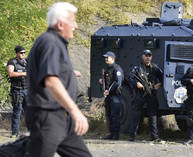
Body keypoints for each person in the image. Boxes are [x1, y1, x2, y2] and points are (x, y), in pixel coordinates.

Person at [25, 2, 92, 157]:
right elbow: (51, 80)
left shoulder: (55, 43)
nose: (76, 26)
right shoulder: (51, 42)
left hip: (59, 117)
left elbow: (55, 73)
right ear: (61, 24)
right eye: (73, 21)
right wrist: (75, 111)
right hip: (47, 116)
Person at [128, 49, 163, 142]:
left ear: (151, 57)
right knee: (136, 115)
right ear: (142, 56)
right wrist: (136, 83)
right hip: (140, 94)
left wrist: (159, 84)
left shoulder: (155, 68)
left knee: (153, 115)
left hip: (151, 94)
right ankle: (132, 136)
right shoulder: (137, 68)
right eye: (146, 55)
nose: (147, 57)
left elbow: (163, 78)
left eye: (149, 55)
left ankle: (154, 136)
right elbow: (130, 78)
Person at [99, 51, 123, 140]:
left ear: (112, 59)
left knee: (115, 115)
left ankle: (116, 135)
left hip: (115, 96)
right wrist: (101, 84)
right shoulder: (106, 69)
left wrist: (109, 91)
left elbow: (118, 82)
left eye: (107, 57)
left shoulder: (117, 69)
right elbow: (105, 83)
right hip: (108, 96)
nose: (105, 59)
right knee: (109, 115)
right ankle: (111, 134)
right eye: (105, 57)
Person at [6, 45, 27, 138]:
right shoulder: (12, 62)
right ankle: (15, 132)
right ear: (17, 53)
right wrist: (23, 73)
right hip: (17, 90)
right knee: (17, 111)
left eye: (24, 53)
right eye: (21, 52)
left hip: (27, 89)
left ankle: (31, 131)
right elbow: (10, 73)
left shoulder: (26, 62)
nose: (23, 54)